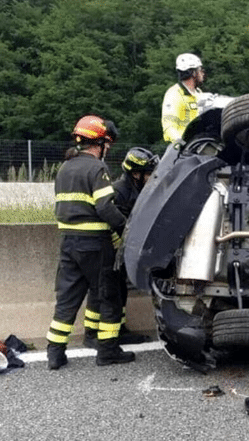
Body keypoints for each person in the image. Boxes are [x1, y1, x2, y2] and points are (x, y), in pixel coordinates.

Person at [46, 115, 135, 369]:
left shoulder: (64, 168)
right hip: (95, 245)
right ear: (99, 143)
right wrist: (125, 228)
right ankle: (107, 351)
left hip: (68, 243)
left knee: (67, 299)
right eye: (107, 144)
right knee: (110, 296)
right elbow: (105, 207)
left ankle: (55, 353)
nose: (108, 148)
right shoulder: (97, 169)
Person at [83, 147, 159, 348]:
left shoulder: (139, 190)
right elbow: (114, 221)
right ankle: (91, 334)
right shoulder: (119, 191)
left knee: (120, 290)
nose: (152, 177)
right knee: (102, 291)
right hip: (108, 250)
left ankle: (118, 328)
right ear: (136, 174)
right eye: (149, 173)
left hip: (121, 250)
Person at [162, 53, 205, 144]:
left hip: (199, 143)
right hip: (184, 147)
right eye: (200, 70)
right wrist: (180, 143)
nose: (203, 73)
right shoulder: (174, 93)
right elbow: (169, 126)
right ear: (193, 73)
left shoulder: (199, 93)